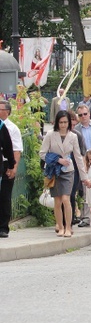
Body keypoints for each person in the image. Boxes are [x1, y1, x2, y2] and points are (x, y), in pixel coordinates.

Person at [40, 111, 89, 237]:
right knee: (57, 201)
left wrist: (84, 177)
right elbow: (42, 153)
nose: (63, 125)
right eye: (61, 122)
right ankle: (60, 226)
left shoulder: (73, 136)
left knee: (66, 199)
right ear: (57, 122)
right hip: (54, 171)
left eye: (65, 122)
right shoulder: (50, 135)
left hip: (68, 171)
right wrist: (57, 159)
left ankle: (68, 227)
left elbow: (78, 156)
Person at [0, 101, 21, 238]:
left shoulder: (11, 128)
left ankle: (3, 227)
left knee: (5, 197)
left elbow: (16, 149)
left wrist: (13, 167)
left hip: (6, 164)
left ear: (7, 111)